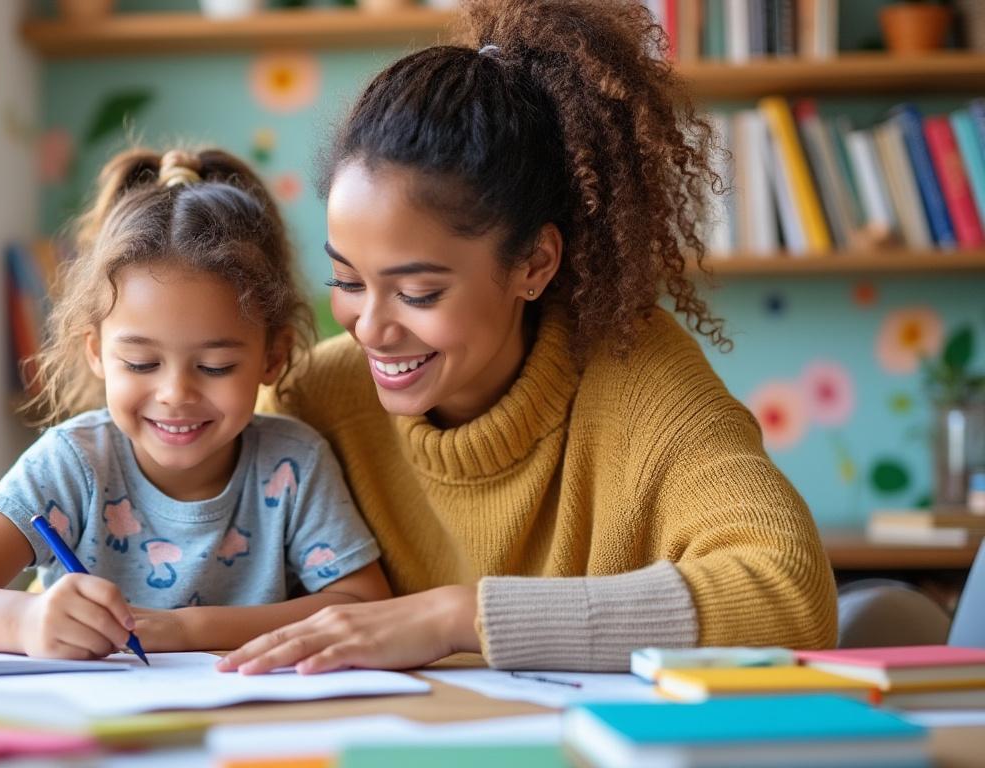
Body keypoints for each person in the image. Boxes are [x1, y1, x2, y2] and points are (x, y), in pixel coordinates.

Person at [216, 0, 837, 676]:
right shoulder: (315, 400)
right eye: (348, 281)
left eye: (419, 293)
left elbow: (790, 593)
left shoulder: (635, 377)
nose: (371, 327)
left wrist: (458, 618)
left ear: (534, 264)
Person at [0, 148, 390, 659]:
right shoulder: (75, 464)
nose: (176, 395)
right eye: (141, 364)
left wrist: (189, 630)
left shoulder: (292, 463)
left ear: (272, 357)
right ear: (97, 353)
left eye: (215, 367)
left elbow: (365, 605)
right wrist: (22, 620)